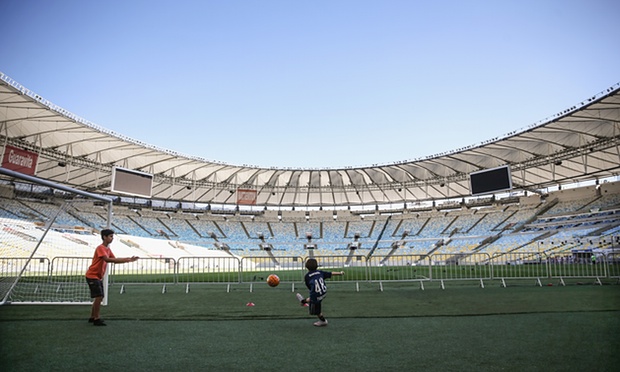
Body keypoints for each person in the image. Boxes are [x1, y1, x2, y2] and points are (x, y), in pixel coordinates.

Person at [85, 229, 139, 326]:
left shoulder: (107, 249)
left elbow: (114, 259)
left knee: (99, 297)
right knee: (99, 296)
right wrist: (128, 260)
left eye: (112, 236)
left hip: (96, 276)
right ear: (104, 237)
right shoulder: (101, 248)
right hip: (92, 275)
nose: (112, 238)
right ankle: (96, 318)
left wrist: (129, 259)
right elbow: (107, 259)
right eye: (110, 236)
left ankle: (93, 317)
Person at [295, 258, 344, 327]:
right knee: (315, 298)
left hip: (316, 295)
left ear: (306, 266)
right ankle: (304, 301)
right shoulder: (320, 272)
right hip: (324, 292)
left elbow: (309, 287)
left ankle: (323, 321)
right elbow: (331, 273)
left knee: (315, 311)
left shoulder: (307, 276)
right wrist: (340, 273)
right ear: (317, 266)